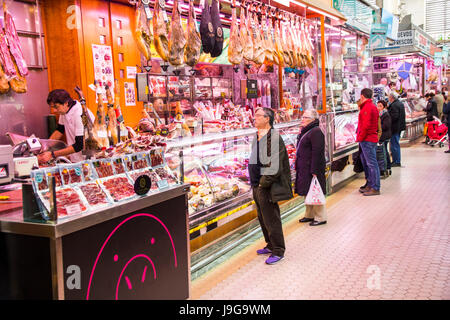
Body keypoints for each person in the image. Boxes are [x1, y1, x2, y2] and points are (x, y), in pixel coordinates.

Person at [249, 107, 293, 265]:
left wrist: (263, 183)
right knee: (262, 217)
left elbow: (275, 166)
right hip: (256, 184)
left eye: (258, 115)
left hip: (266, 185)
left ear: (267, 119)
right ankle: (270, 244)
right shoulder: (258, 135)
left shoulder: (273, 137)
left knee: (271, 218)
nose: (254, 118)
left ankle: (278, 250)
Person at [38, 89, 94, 164]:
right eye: (52, 107)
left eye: (56, 107)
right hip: (76, 158)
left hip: (88, 158)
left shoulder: (79, 114)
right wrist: (45, 147)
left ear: (66, 103)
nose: (54, 110)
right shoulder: (64, 111)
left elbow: (79, 145)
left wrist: (52, 154)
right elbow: (60, 130)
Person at [295, 109, 327, 226]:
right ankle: (309, 214)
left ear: (313, 120)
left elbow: (317, 152)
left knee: (315, 191)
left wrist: (314, 170)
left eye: (305, 118)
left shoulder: (316, 131)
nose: (302, 119)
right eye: (302, 117)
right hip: (304, 167)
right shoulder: (306, 131)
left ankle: (320, 217)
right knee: (308, 191)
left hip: (312, 167)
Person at [357, 88, 381, 196]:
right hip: (369, 138)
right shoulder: (372, 106)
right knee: (370, 163)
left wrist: (360, 137)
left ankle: (375, 187)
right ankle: (370, 185)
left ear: (362, 96)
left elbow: (365, 126)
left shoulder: (367, 107)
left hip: (367, 139)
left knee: (371, 164)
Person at [387, 91, 406, 167]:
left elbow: (394, 117)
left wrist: (387, 118)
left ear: (391, 97)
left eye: (389, 97)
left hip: (395, 128)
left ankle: (396, 161)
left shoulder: (394, 105)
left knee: (394, 145)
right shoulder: (399, 103)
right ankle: (396, 160)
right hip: (399, 127)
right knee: (395, 144)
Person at [377, 100, 392, 177]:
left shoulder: (386, 114)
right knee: (384, 152)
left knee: (384, 152)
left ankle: (387, 168)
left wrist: (377, 127)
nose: (378, 107)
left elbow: (386, 126)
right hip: (382, 136)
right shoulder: (379, 114)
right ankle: (386, 167)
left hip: (384, 136)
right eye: (377, 105)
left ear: (384, 107)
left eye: (380, 106)